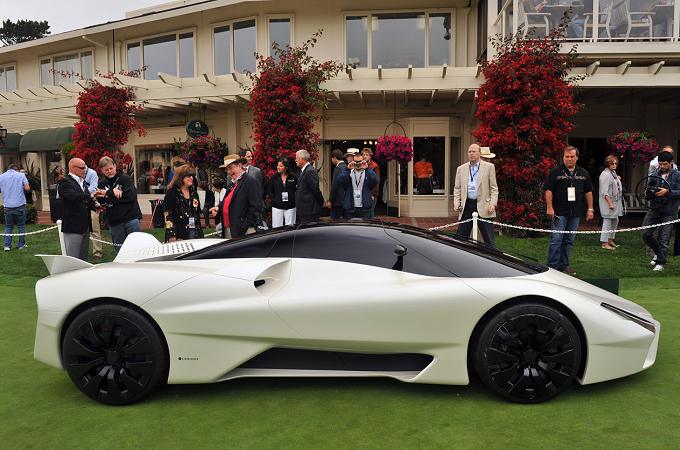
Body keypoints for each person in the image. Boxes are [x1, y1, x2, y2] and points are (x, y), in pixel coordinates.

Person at [544, 146, 594, 274]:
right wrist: (549, 207)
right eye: (567, 156)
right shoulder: (555, 172)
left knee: (569, 240)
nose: (569, 159)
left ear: (577, 157)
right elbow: (548, 190)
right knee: (556, 240)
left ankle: (564, 267)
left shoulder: (583, 173)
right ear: (563, 158)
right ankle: (552, 267)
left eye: (572, 156)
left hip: (575, 213)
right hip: (559, 212)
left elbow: (588, 191)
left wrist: (590, 209)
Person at [453, 144, 499, 248]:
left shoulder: (489, 167)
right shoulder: (461, 169)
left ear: (479, 153)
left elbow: (494, 188)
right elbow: (457, 188)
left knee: (489, 240)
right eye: (469, 152)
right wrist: (456, 202)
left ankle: (491, 256)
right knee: (460, 239)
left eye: (474, 151)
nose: (471, 154)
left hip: (484, 206)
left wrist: (492, 204)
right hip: (467, 205)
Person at [642, 151, 680, 271]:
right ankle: (658, 254)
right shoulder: (654, 174)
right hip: (655, 209)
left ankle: (660, 262)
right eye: (660, 164)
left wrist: (667, 192)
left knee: (664, 238)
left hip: (669, 211)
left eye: (665, 164)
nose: (662, 166)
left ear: (671, 162)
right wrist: (648, 194)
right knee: (646, 233)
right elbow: (648, 188)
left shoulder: (678, 175)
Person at [58, 158, 101, 261]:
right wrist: (90, 195)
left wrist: (94, 206)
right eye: (82, 168)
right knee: (73, 259)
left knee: (83, 257)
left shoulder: (83, 182)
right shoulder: (65, 182)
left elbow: (84, 201)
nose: (85, 170)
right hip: (73, 226)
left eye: (85, 168)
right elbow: (72, 197)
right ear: (72, 168)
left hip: (85, 225)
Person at [210, 155, 263, 239]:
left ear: (239, 166)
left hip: (243, 230)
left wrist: (245, 225)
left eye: (230, 168)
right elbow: (227, 200)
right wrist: (218, 208)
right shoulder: (232, 183)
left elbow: (256, 207)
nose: (228, 171)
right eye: (227, 169)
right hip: (230, 228)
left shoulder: (251, 181)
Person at [98, 156, 142, 251]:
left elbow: (130, 196)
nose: (109, 171)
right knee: (120, 250)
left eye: (111, 168)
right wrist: (114, 193)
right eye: (106, 170)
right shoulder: (101, 184)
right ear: (101, 170)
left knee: (137, 249)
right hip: (114, 222)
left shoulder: (125, 179)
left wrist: (108, 193)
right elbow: (102, 201)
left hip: (131, 219)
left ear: (115, 166)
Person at [163, 164, 204, 242]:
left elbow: (197, 212)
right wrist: (172, 234)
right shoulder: (172, 193)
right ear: (180, 177)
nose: (191, 178)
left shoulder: (194, 193)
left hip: (195, 231)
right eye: (188, 176)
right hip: (179, 233)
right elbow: (168, 215)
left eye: (192, 176)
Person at [0, 164, 31, 251]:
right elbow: (27, 188)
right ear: (17, 169)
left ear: (8, 169)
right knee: (21, 226)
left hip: (7, 205)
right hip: (19, 204)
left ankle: (7, 246)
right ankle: (21, 245)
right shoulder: (21, 175)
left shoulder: (1, 176)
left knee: (8, 226)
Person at [339, 154, 378, 219]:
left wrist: (367, 168)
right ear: (353, 161)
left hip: (364, 208)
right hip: (350, 207)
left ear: (363, 161)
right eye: (356, 162)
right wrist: (347, 169)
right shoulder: (349, 172)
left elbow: (375, 180)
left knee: (365, 225)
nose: (358, 164)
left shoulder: (367, 172)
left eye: (359, 161)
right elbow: (340, 181)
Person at [598, 155, 624, 250]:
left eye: (615, 163)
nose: (614, 165)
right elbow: (604, 192)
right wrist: (610, 203)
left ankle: (610, 239)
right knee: (607, 220)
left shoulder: (613, 173)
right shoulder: (605, 174)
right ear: (607, 164)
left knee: (615, 220)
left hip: (616, 200)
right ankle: (604, 243)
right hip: (608, 201)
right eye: (612, 163)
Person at [294, 149, 324, 223]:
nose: (295, 160)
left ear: (302, 159)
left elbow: (315, 190)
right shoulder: (304, 171)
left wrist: (321, 203)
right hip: (305, 210)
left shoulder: (309, 171)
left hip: (309, 211)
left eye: (297, 158)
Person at [267, 157, 297, 227]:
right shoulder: (274, 178)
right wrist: (274, 200)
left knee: (290, 227)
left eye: (281, 166)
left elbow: (297, 189)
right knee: (276, 227)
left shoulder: (293, 177)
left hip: (290, 206)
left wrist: (293, 199)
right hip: (277, 207)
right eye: (278, 165)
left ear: (286, 167)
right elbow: (269, 190)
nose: (278, 167)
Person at [84, 165, 103, 259]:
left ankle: (97, 252)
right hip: (80, 203)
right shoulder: (74, 174)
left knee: (94, 228)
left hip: (92, 203)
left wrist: (79, 193)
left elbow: (93, 189)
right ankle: (82, 252)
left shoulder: (92, 173)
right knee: (81, 229)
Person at [326, 149, 349, 220]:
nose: (331, 160)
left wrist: (330, 200)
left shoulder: (338, 168)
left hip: (337, 202)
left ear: (334, 158)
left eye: (331, 158)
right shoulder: (346, 166)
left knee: (335, 222)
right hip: (346, 200)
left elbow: (335, 186)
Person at [362, 148, 381, 218]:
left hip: (371, 193)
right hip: (363, 193)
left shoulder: (374, 166)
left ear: (370, 156)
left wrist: (373, 194)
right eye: (363, 154)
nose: (364, 156)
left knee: (370, 213)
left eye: (367, 155)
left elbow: (377, 181)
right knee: (364, 213)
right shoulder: (361, 164)